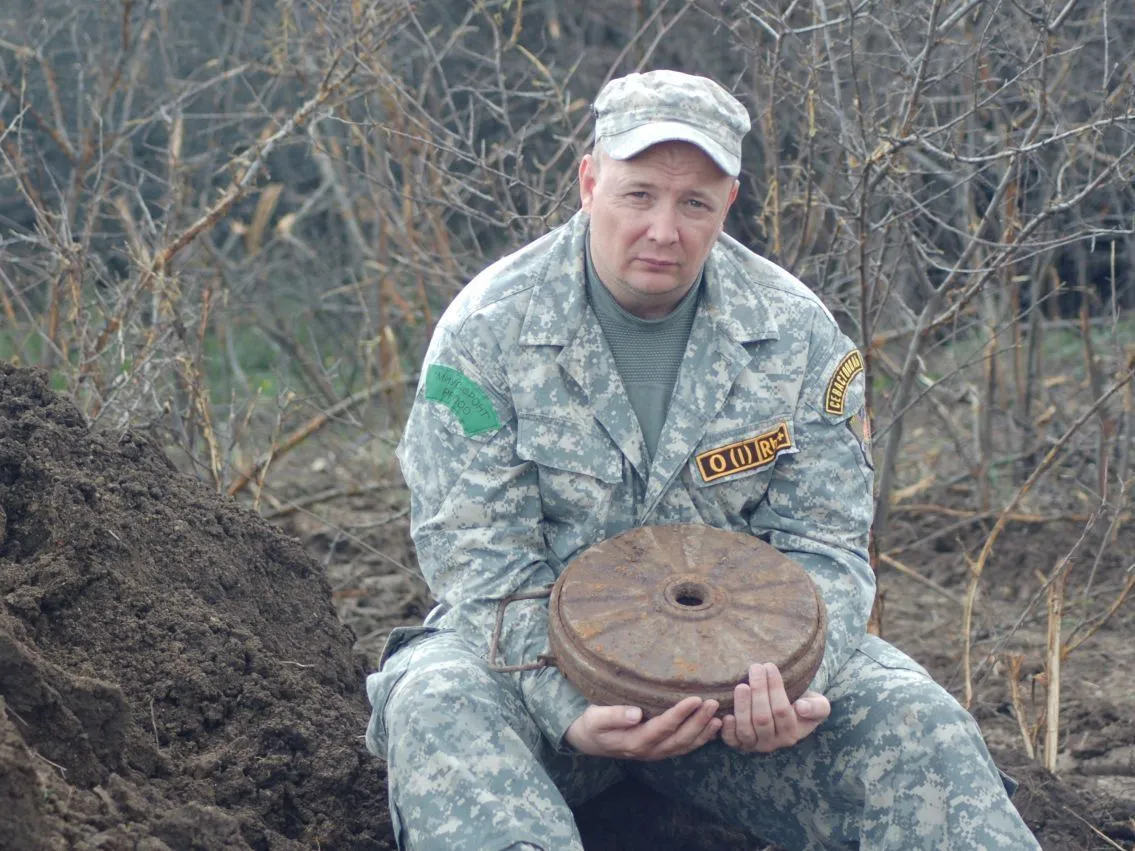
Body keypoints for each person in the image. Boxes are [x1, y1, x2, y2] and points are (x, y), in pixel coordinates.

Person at [364, 69, 1040, 850]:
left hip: (740, 707)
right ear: (589, 182)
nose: (663, 229)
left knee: (919, 721)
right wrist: (569, 706)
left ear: (728, 201)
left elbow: (824, 544)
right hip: (543, 689)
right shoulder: (485, 331)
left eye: (693, 202)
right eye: (638, 193)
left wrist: (791, 684)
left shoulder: (797, 335)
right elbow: (477, 558)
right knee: (435, 695)